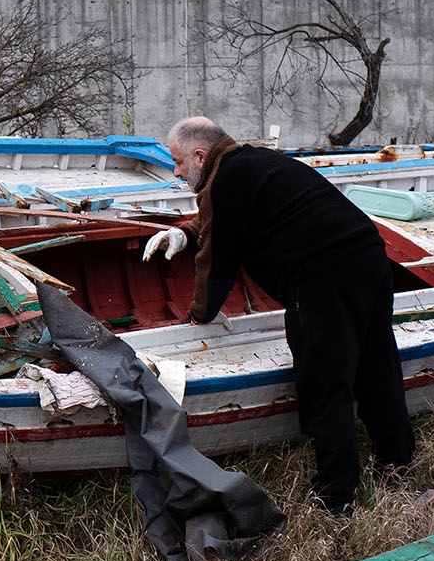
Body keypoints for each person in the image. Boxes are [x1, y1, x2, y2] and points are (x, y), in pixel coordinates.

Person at [142, 116, 414, 513]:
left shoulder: (226, 180)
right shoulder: (251, 163)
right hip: (368, 256)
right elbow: (220, 220)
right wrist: (183, 232)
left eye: (179, 162)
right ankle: (397, 468)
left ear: (200, 156)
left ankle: (334, 497)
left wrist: (200, 315)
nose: (177, 171)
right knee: (377, 368)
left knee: (324, 383)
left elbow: (217, 263)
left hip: (324, 275)